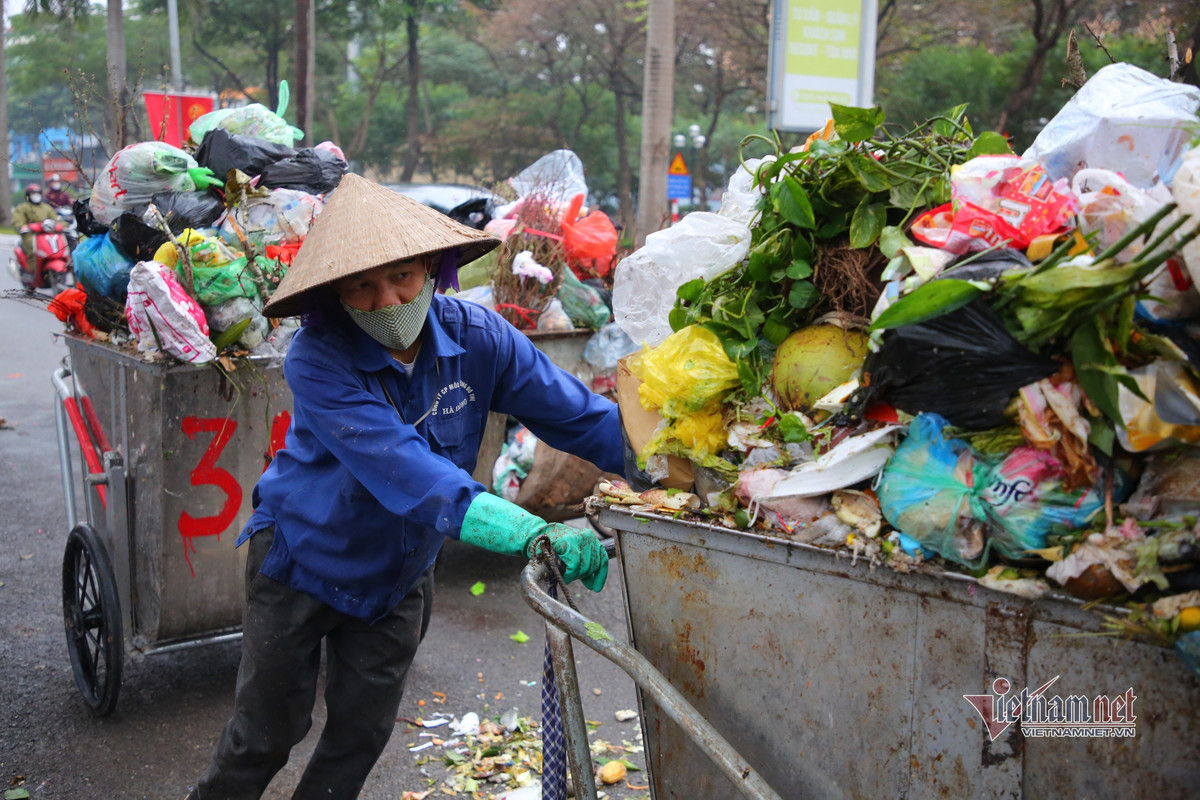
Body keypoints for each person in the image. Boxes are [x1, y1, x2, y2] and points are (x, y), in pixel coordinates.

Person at [187, 173, 623, 800]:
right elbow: (408, 470)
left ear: (431, 267)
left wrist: (667, 467)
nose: (387, 299)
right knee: (266, 734)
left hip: (397, 575)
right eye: (361, 286)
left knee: (360, 735)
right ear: (334, 293)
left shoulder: (481, 338)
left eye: (402, 277)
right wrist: (527, 529)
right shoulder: (316, 357)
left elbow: (579, 417)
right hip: (302, 562)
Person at [12, 183, 57, 270]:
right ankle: (32, 271)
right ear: (28, 195)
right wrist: (22, 226)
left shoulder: (46, 207)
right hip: (31, 234)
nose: (36, 196)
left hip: (47, 234)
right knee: (33, 251)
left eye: (38, 193)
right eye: (33, 194)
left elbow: (55, 219)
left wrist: (62, 225)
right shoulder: (23, 207)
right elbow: (18, 220)